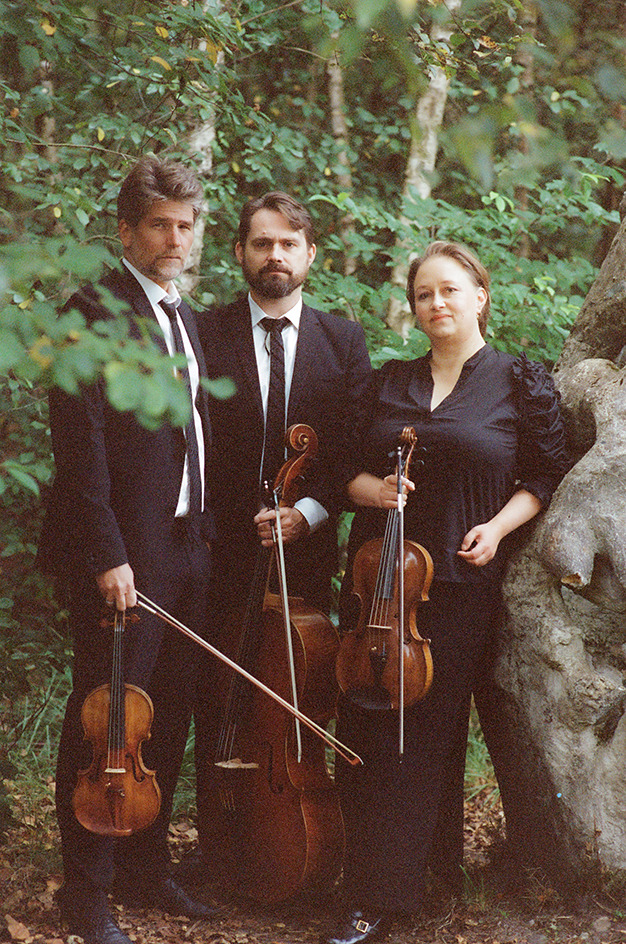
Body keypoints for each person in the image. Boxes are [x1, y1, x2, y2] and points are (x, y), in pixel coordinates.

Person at [324, 241, 569, 944]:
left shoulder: (518, 381)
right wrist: (371, 488)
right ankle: (378, 884)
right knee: (367, 727)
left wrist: (496, 528)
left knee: (427, 735)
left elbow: (543, 476)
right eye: (424, 293)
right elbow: (342, 468)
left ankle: (392, 892)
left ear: (481, 295)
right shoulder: (386, 381)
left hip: (459, 585)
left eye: (450, 290)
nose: (437, 303)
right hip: (377, 583)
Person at [37, 156, 218, 944]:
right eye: (160, 225)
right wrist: (108, 554)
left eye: (186, 224)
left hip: (188, 548)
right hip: (124, 557)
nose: (176, 238)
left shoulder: (183, 313)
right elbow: (82, 452)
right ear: (126, 231)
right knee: (104, 723)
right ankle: (86, 891)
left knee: (166, 717)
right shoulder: (91, 311)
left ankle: (146, 871)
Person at [181, 191, 372, 884]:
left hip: (305, 557)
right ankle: (218, 852)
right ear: (239, 252)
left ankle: (285, 840)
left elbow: (349, 452)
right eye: (261, 243)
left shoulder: (343, 342)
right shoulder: (203, 333)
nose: (275, 255)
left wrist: (308, 513)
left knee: (291, 698)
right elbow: (189, 449)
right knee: (216, 698)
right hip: (219, 554)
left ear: (310, 253)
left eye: (288, 243)